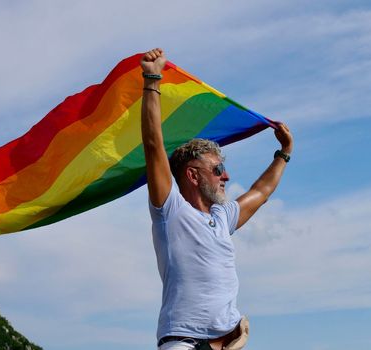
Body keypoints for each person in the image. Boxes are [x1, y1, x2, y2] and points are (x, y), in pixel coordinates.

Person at [141, 48, 293, 350]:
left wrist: (284, 153)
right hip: (182, 343)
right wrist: (152, 80)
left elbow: (260, 193)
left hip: (224, 344)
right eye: (218, 169)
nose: (226, 177)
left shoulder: (222, 218)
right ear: (193, 175)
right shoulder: (171, 211)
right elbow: (153, 143)